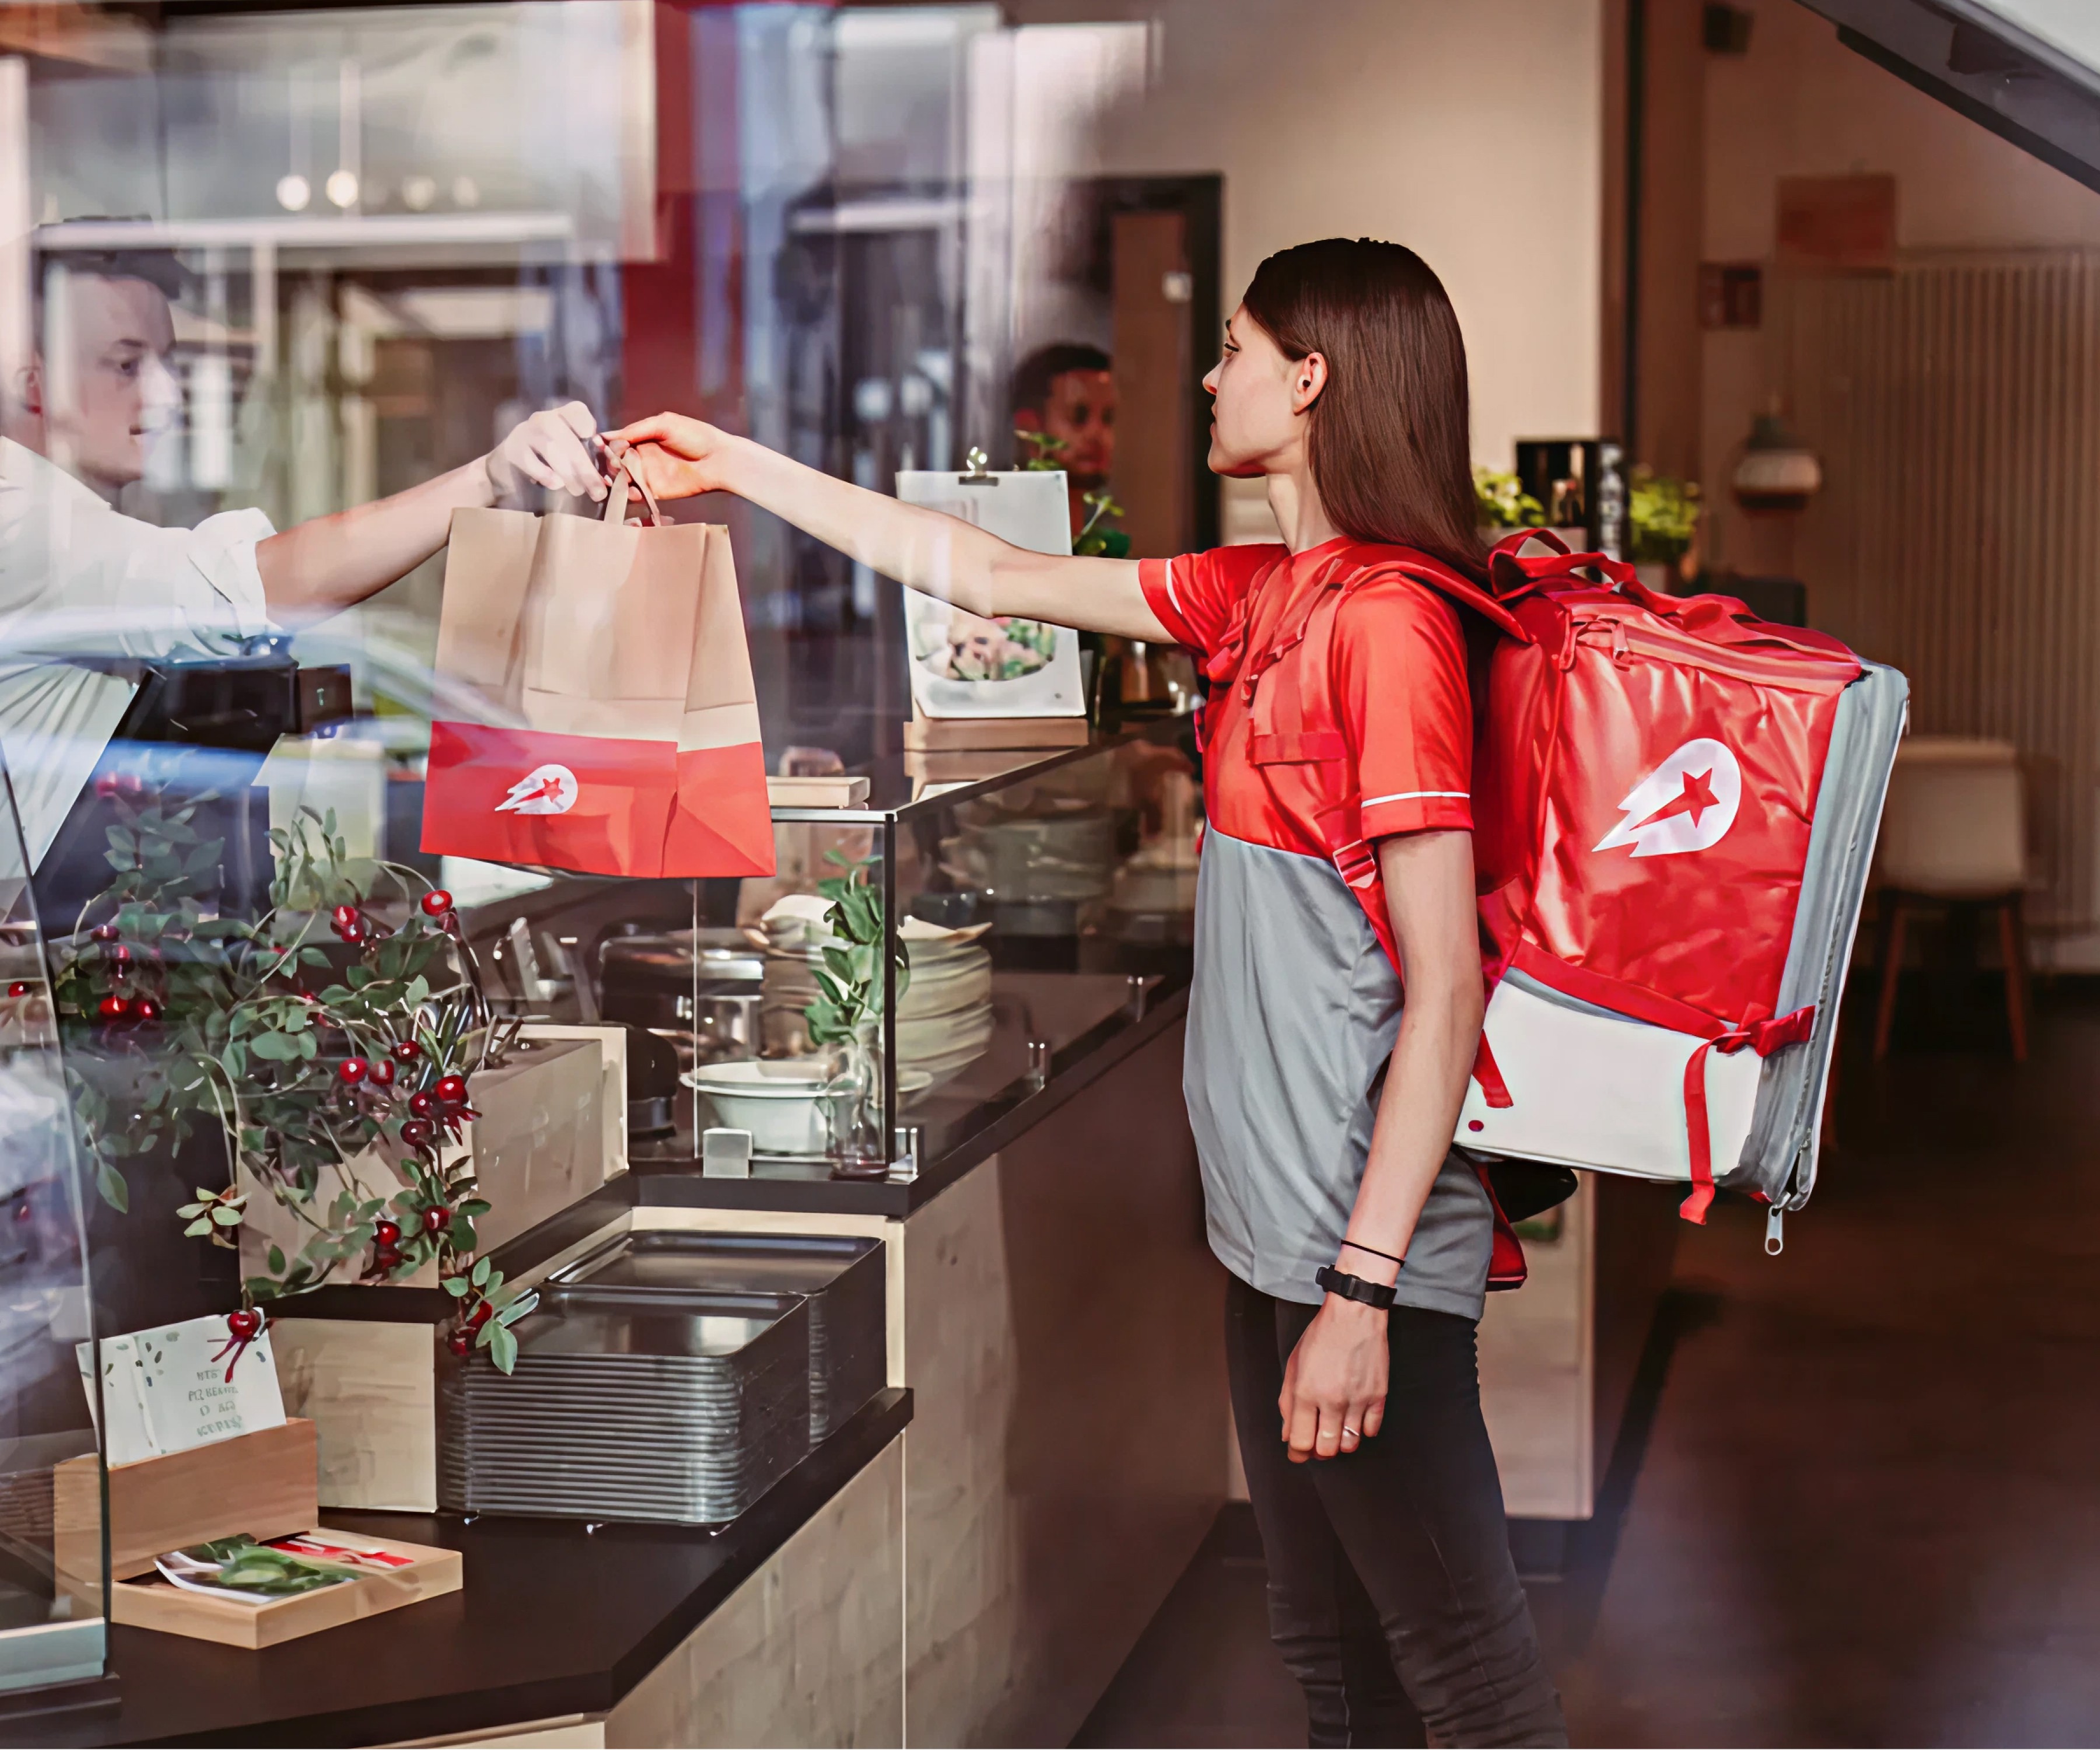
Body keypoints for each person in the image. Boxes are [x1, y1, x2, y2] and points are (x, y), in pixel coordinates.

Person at [614, 236, 1567, 1748]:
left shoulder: (1387, 625)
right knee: (1335, 1667)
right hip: (1277, 1245)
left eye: (1237, 345)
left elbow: (1444, 991)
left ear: (1310, 380)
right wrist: (739, 466)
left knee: (1468, 1683)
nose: (1208, 370)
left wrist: (1365, 1293)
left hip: (1354, 1257)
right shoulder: (1264, 594)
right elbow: (985, 570)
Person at [0, 247, 608, 858]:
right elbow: (246, 592)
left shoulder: (78, 523)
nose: (167, 396)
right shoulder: (25, 523)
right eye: (127, 365)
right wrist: (488, 476)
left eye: (168, 361)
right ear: (35, 385)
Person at [1011, 340, 1117, 540]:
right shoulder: (1010, 535)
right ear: (1029, 428)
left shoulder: (1104, 538)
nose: (1097, 433)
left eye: (1108, 418)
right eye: (1078, 416)